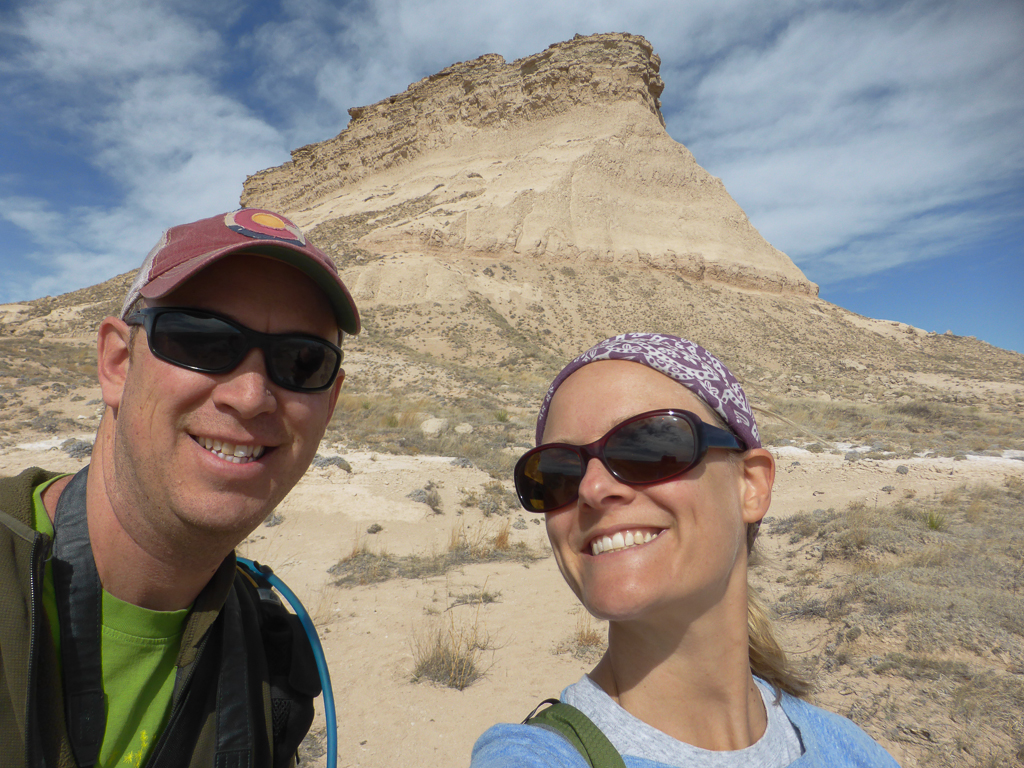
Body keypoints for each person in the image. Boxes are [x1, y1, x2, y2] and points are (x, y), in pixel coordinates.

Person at [0, 208, 359, 768]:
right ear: (118, 364)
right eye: (202, 341)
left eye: (301, 361)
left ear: (329, 404)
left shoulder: (268, 664)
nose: (250, 396)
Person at [471, 333, 899, 767]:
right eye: (557, 472)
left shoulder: (845, 748)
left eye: (651, 447)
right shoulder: (533, 757)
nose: (592, 489)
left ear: (751, 485)